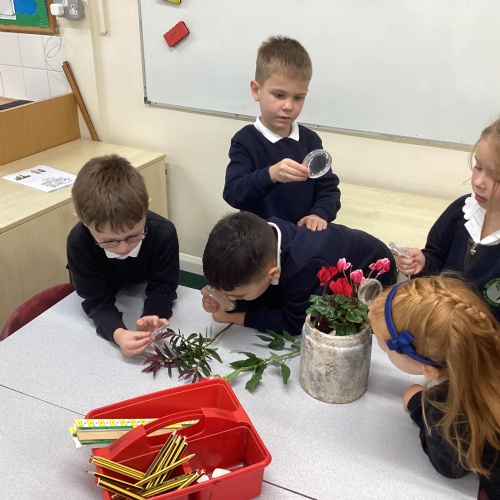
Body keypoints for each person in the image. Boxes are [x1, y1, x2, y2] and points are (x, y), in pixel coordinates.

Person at [368, 275, 500, 499]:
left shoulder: (454, 406)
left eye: (386, 350)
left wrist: (418, 405)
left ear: (429, 370)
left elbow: (450, 466)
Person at [201, 211, 396, 335]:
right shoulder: (262, 237)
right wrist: (229, 303)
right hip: (321, 263)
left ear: (274, 273)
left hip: (373, 267)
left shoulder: (304, 266)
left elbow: (295, 322)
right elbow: (258, 288)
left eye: (238, 295)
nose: (229, 298)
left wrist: (232, 317)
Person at [222, 36, 341, 232]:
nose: (288, 106)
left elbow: (328, 190)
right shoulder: (245, 140)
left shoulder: (310, 140)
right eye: (279, 95)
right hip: (263, 241)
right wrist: (271, 175)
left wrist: (319, 213)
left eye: (298, 97)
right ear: (256, 90)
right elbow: (233, 193)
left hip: (303, 238)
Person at [67, 154, 179, 357]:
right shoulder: (78, 243)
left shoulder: (164, 232)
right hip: (99, 283)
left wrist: (153, 316)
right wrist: (117, 333)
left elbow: (163, 285)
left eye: (133, 236)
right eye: (109, 241)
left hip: (137, 283)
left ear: (146, 205)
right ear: (83, 221)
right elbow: (96, 301)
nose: (122, 249)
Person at [395, 117, 500, 321]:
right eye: (478, 167)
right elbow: (437, 259)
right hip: (440, 328)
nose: (478, 182)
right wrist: (424, 264)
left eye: (497, 178)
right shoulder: (461, 211)